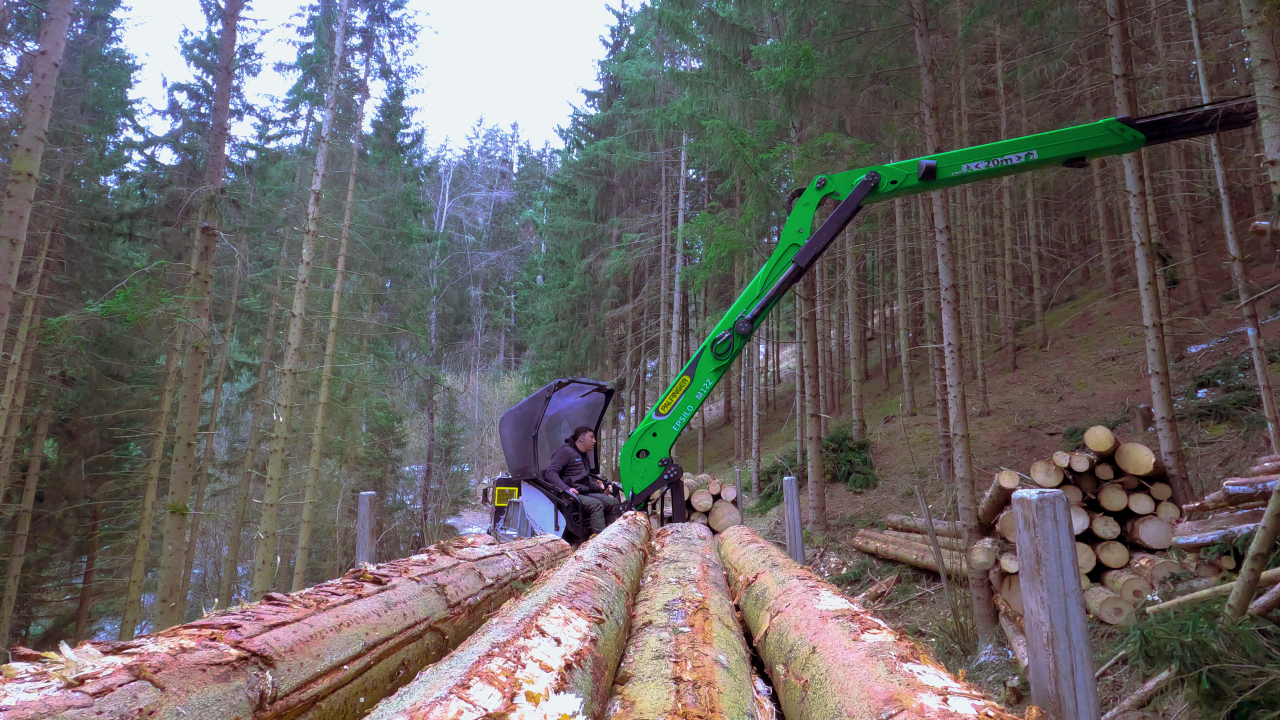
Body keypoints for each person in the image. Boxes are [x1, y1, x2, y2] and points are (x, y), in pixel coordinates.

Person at [544, 426, 621, 535]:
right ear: (581, 438)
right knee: (596, 505)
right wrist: (566, 489)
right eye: (592, 437)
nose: (594, 441)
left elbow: (585, 479)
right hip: (569, 496)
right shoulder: (565, 451)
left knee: (613, 502)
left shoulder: (584, 455)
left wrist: (598, 487)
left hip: (584, 493)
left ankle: (616, 536)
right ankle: (600, 542)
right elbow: (550, 473)